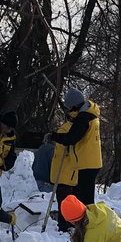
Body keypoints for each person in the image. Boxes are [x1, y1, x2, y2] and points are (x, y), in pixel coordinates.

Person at [49, 87, 102, 230]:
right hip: (91, 162)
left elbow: (71, 138)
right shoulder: (90, 114)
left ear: (74, 105)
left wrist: (54, 136)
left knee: (83, 198)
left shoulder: (84, 118)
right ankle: (83, 224)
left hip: (86, 163)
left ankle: (87, 226)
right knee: (83, 196)